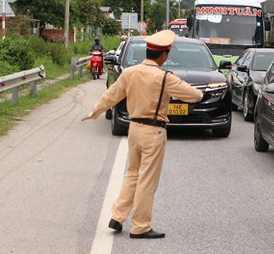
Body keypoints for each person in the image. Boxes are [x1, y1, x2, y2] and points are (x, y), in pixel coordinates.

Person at [81, 30, 203, 239]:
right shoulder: (165, 77)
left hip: (134, 129)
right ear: (164, 55)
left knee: (132, 174)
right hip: (154, 131)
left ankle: (117, 216)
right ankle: (140, 226)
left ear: (147, 52)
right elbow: (195, 95)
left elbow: (112, 95)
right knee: (147, 180)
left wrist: (94, 112)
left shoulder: (130, 72)